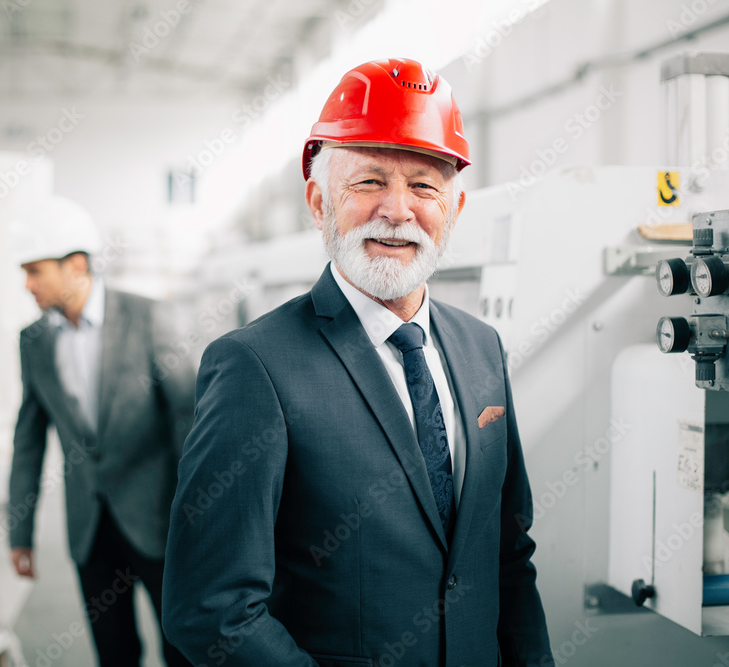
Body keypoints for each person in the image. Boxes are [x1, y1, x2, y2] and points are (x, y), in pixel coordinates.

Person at [162, 58, 552, 666]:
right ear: (319, 200)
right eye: (369, 181)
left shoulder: (482, 349)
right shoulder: (255, 367)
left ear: (454, 206)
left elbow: (507, 552)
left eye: (424, 186)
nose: (398, 209)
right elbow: (211, 606)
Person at [6, 196, 194, 667]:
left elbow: (188, 419)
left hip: (160, 521)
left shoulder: (149, 317)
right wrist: (19, 531)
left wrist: (200, 515)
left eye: (35, 271)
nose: (27, 284)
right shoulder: (33, 341)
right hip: (89, 529)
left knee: (184, 648)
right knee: (113, 653)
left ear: (75, 265)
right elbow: (28, 439)